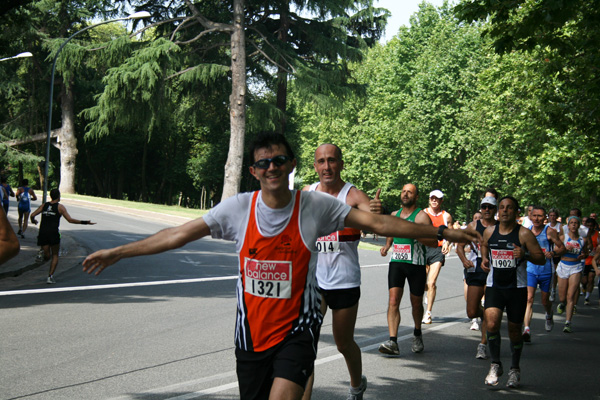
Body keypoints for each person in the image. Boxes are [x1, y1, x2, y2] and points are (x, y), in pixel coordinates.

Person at [82, 133, 481, 400]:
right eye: (263, 163)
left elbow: (378, 223)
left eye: (278, 161)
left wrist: (446, 232)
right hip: (251, 335)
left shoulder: (315, 206)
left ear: (290, 165)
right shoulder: (238, 209)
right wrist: (119, 252)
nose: (271, 168)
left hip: (296, 329)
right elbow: (176, 235)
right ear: (254, 171)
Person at [302, 143, 381, 400]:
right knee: (306, 346)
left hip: (345, 282)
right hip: (313, 284)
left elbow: (377, 222)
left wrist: (377, 213)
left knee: (343, 343)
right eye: (321, 161)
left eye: (332, 160)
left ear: (341, 163)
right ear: (315, 166)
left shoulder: (354, 196)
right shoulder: (307, 193)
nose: (327, 166)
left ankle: (357, 386)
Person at [480, 196, 545, 388]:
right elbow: (485, 245)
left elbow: (541, 258)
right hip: (494, 286)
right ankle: (495, 364)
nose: (504, 211)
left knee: (515, 331)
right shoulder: (490, 232)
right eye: (501, 207)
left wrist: (525, 254)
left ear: (516, 212)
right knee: (491, 323)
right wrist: (484, 259)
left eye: (509, 208)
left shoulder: (524, 234)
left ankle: (515, 369)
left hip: (516, 288)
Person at [378, 183, 437, 356]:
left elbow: (433, 242)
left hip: (416, 264)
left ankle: (417, 332)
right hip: (396, 261)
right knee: (393, 300)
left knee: (416, 303)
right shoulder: (394, 215)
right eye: (403, 191)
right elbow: (390, 230)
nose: (405, 194)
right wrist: (388, 245)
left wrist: (414, 233)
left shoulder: (421, 217)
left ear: (416, 197)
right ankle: (393, 341)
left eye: (410, 192)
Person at [457, 196, 498, 360]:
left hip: (493, 270)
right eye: (484, 207)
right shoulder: (473, 226)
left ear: (495, 210)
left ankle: (482, 344)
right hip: (475, 270)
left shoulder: (500, 227)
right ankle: (483, 317)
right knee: (471, 311)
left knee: (489, 307)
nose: (487, 210)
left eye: (490, 207)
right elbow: (460, 246)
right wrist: (464, 260)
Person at [30, 189, 96, 284]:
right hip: (53, 233)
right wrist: (85, 222)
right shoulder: (60, 207)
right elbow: (70, 220)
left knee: (47, 255)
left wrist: (33, 221)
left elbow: (32, 215)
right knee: (55, 255)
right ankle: (50, 277)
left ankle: (42, 253)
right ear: (59, 196)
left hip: (43, 232)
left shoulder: (44, 205)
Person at [521, 206, 565, 341]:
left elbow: (562, 247)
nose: (537, 219)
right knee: (529, 299)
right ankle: (527, 329)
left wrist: (553, 253)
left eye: (540, 216)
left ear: (544, 218)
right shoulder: (525, 232)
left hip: (546, 271)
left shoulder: (550, 231)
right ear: (530, 217)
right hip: (530, 270)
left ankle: (548, 314)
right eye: (534, 216)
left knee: (545, 301)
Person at [422, 189, 453, 324]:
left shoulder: (446, 216)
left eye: (437, 198)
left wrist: (447, 242)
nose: (434, 200)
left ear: (441, 201)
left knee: (432, 282)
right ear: (429, 199)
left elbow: (450, 233)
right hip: (423, 249)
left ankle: (428, 313)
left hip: (437, 250)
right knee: (423, 283)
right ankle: (427, 292)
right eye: (432, 198)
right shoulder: (423, 214)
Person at [556, 216, 589, 333]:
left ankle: (567, 323)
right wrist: (564, 249)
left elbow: (586, 252)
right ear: (568, 226)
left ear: (578, 225)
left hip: (576, 267)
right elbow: (556, 251)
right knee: (562, 297)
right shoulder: (563, 237)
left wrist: (583, 256)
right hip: (563, 266)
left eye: (576, 223)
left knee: (571, 296)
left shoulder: (582, 240)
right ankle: (562, 303)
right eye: (572, 223)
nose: (574, 225)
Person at [582, 218, 598, 305]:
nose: (589, 228)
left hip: (593, 260)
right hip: (584, 260)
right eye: (588, 226)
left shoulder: (597, 235)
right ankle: (584, 287)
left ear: (594, 226)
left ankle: (587, 297)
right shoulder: (582, 234)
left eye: (591, 226)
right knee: (584, 280)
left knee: (591, 278)